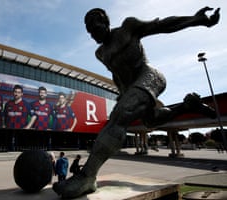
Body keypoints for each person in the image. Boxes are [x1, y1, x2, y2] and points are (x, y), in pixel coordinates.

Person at [53, 7, 220, 198]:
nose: (92, 34)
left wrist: (196, 20)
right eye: (89, 32)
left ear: (105, 22)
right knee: (151, 121)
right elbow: (117, 74)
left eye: (95, 27)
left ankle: (87, 176)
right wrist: (122, 94)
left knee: (117, 119)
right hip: (132, 87)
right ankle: (188, 106)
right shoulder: (101, 53)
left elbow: (163, 25)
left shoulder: (128, 28)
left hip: (150, 77)